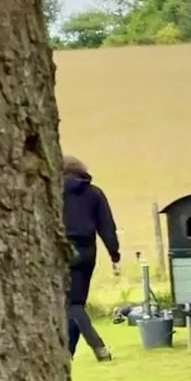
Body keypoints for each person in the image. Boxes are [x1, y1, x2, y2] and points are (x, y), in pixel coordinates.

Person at [61, 155, 119, 362]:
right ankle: (68, 353)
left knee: (72, 305)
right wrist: (114, 253)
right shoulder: (94, 193)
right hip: (88, 251)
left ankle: (99, 347)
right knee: (77, 304)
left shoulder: (55, 193)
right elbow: (107, 226)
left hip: (65, 250)